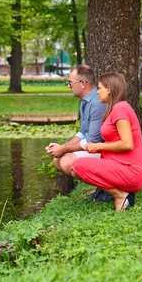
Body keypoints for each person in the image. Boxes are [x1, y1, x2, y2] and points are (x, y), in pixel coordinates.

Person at [71, 73, 142, 211]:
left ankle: (120, 195)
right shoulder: (115, 108)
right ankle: (121, 194)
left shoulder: (121, 109)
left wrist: (98, 146)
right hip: (120, 165)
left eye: (100, 88)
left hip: (132, 170)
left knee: (78, 165)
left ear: (109, 90)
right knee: (76, 166)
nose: (97, 91)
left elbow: (127, 144)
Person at [45, 65, 112, 203]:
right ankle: (103, 188)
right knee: (58, 159)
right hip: (95, 147)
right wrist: (61, 147)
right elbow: (83, 132)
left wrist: (64, 149)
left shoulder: (97, 103)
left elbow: (92, 140)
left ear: (82, 83)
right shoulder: (85, 101)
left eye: (70, 82)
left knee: (66, 161)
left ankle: (110, 190)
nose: (68, 86)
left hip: (107, 151)